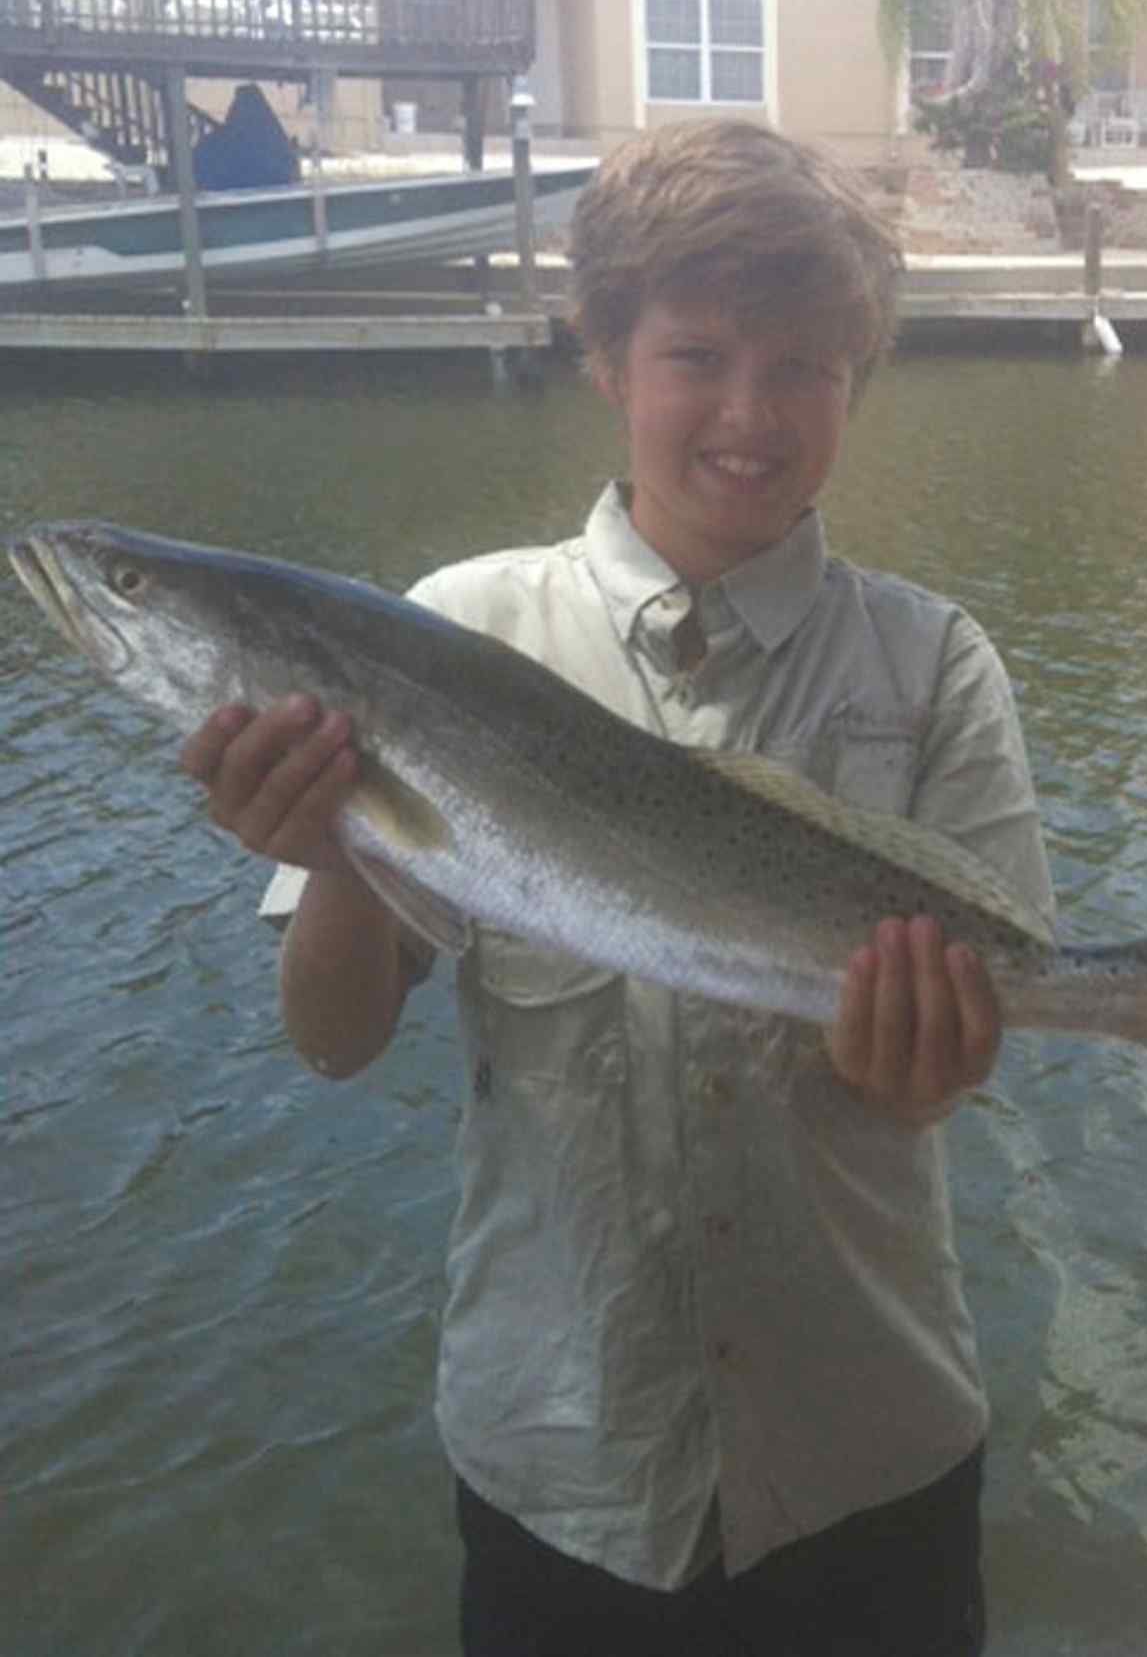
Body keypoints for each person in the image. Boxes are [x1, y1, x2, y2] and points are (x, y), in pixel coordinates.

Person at [180, 118, 1052, 1657]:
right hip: (561, 1463)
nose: (749, 413)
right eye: (696, 356)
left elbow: (949, 1076)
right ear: (603, 359)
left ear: (857, 379)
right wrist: (333, 857)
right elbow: (333, 1041)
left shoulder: (934, 668)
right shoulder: (452, 636)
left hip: (868, 1454)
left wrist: (918, 1064)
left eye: (802, 367)